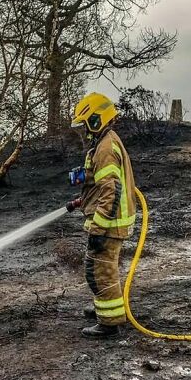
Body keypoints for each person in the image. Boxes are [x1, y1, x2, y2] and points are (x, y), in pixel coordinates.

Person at [67, 93, 137, 338]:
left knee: (100, 271)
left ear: (96, 119)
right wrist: (82, 199)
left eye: (84, 124)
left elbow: (110, 190)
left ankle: (109, 323)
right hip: (111, 221)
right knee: (101, 269)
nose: (83, 130)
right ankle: (105, 308)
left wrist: (98, 230)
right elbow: (102, 185)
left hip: (110, 224)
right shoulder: (104, 142)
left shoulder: (105, 148)